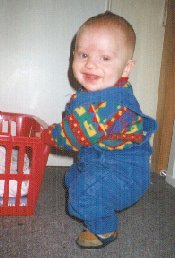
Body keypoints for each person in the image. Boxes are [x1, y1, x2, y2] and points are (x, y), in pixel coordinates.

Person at [42, 11, 157, 249]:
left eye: (105, 58)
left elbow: (71, 137)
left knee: (81, 197)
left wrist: (45, 134)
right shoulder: (97, 93)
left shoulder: (109, 106)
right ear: (72, 56)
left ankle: (105, 228)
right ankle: (98, 200)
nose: (91, 63)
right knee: (72, 177)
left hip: (125, 173)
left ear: (126, 68)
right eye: (84, 54)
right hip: (99, 160)